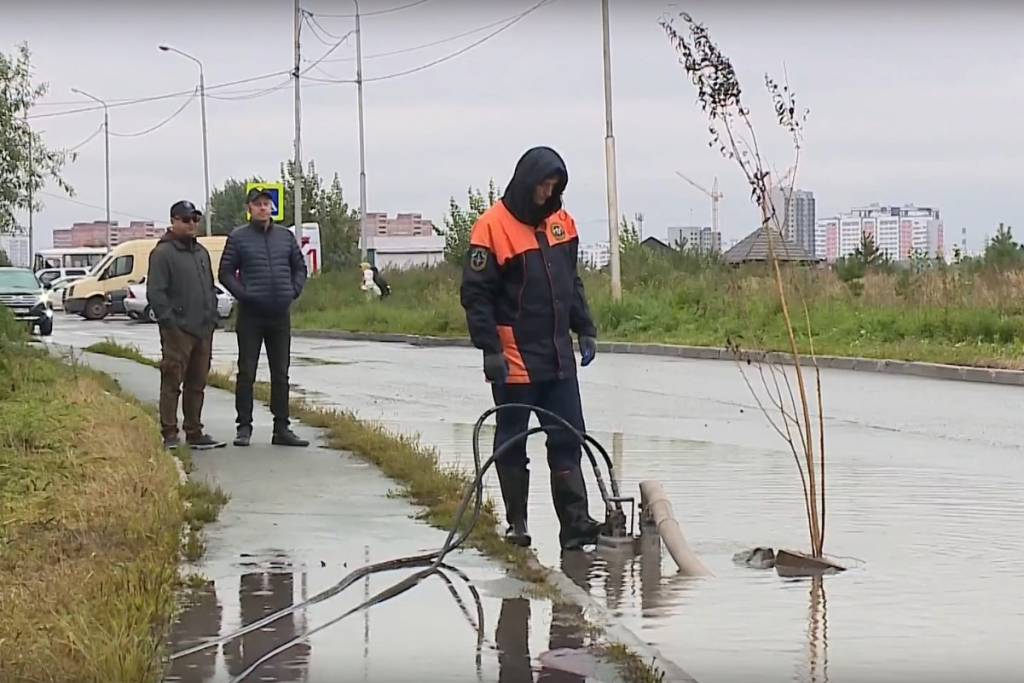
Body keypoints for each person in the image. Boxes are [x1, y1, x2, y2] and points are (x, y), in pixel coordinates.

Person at [460, 146, 601, 551]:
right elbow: (476, 296)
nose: (547, 194)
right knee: (512, 440)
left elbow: (571, 282)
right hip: (514, 357)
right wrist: (489, 348)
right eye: (542, 186)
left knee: (568, 436)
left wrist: (585, 327)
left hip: (558, 356)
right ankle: (517, 523)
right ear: (526, 183)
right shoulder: (491, 228)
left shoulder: (562, 223)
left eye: (554, 188)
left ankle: (575, 523)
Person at [219, 187, 309, 448]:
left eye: (266, 204)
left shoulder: (284, 237)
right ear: (249, 208)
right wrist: (245, 296)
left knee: (281, 373)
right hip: (251, 315)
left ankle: (282, 428)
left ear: (273, 208)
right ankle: (244, 427)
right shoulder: (238, 237)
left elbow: (299, 267)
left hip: (279, 314)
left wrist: (292, 291)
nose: (262, 208)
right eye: (257, 204)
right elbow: (225, 272)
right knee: (247, 371)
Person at [148, 200, 225, 451]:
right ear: (174, 221)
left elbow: (210, 287)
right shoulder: (162, 253)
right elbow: (156, 294)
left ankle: (195, 431)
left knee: (197, 383)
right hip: (178, 331)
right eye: (185, 219)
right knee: (172, 381)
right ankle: (170, 432)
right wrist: (170, 323)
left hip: (203, 328)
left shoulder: (201, 253)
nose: (191, 224)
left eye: (195, 219)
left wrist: (212, 316)